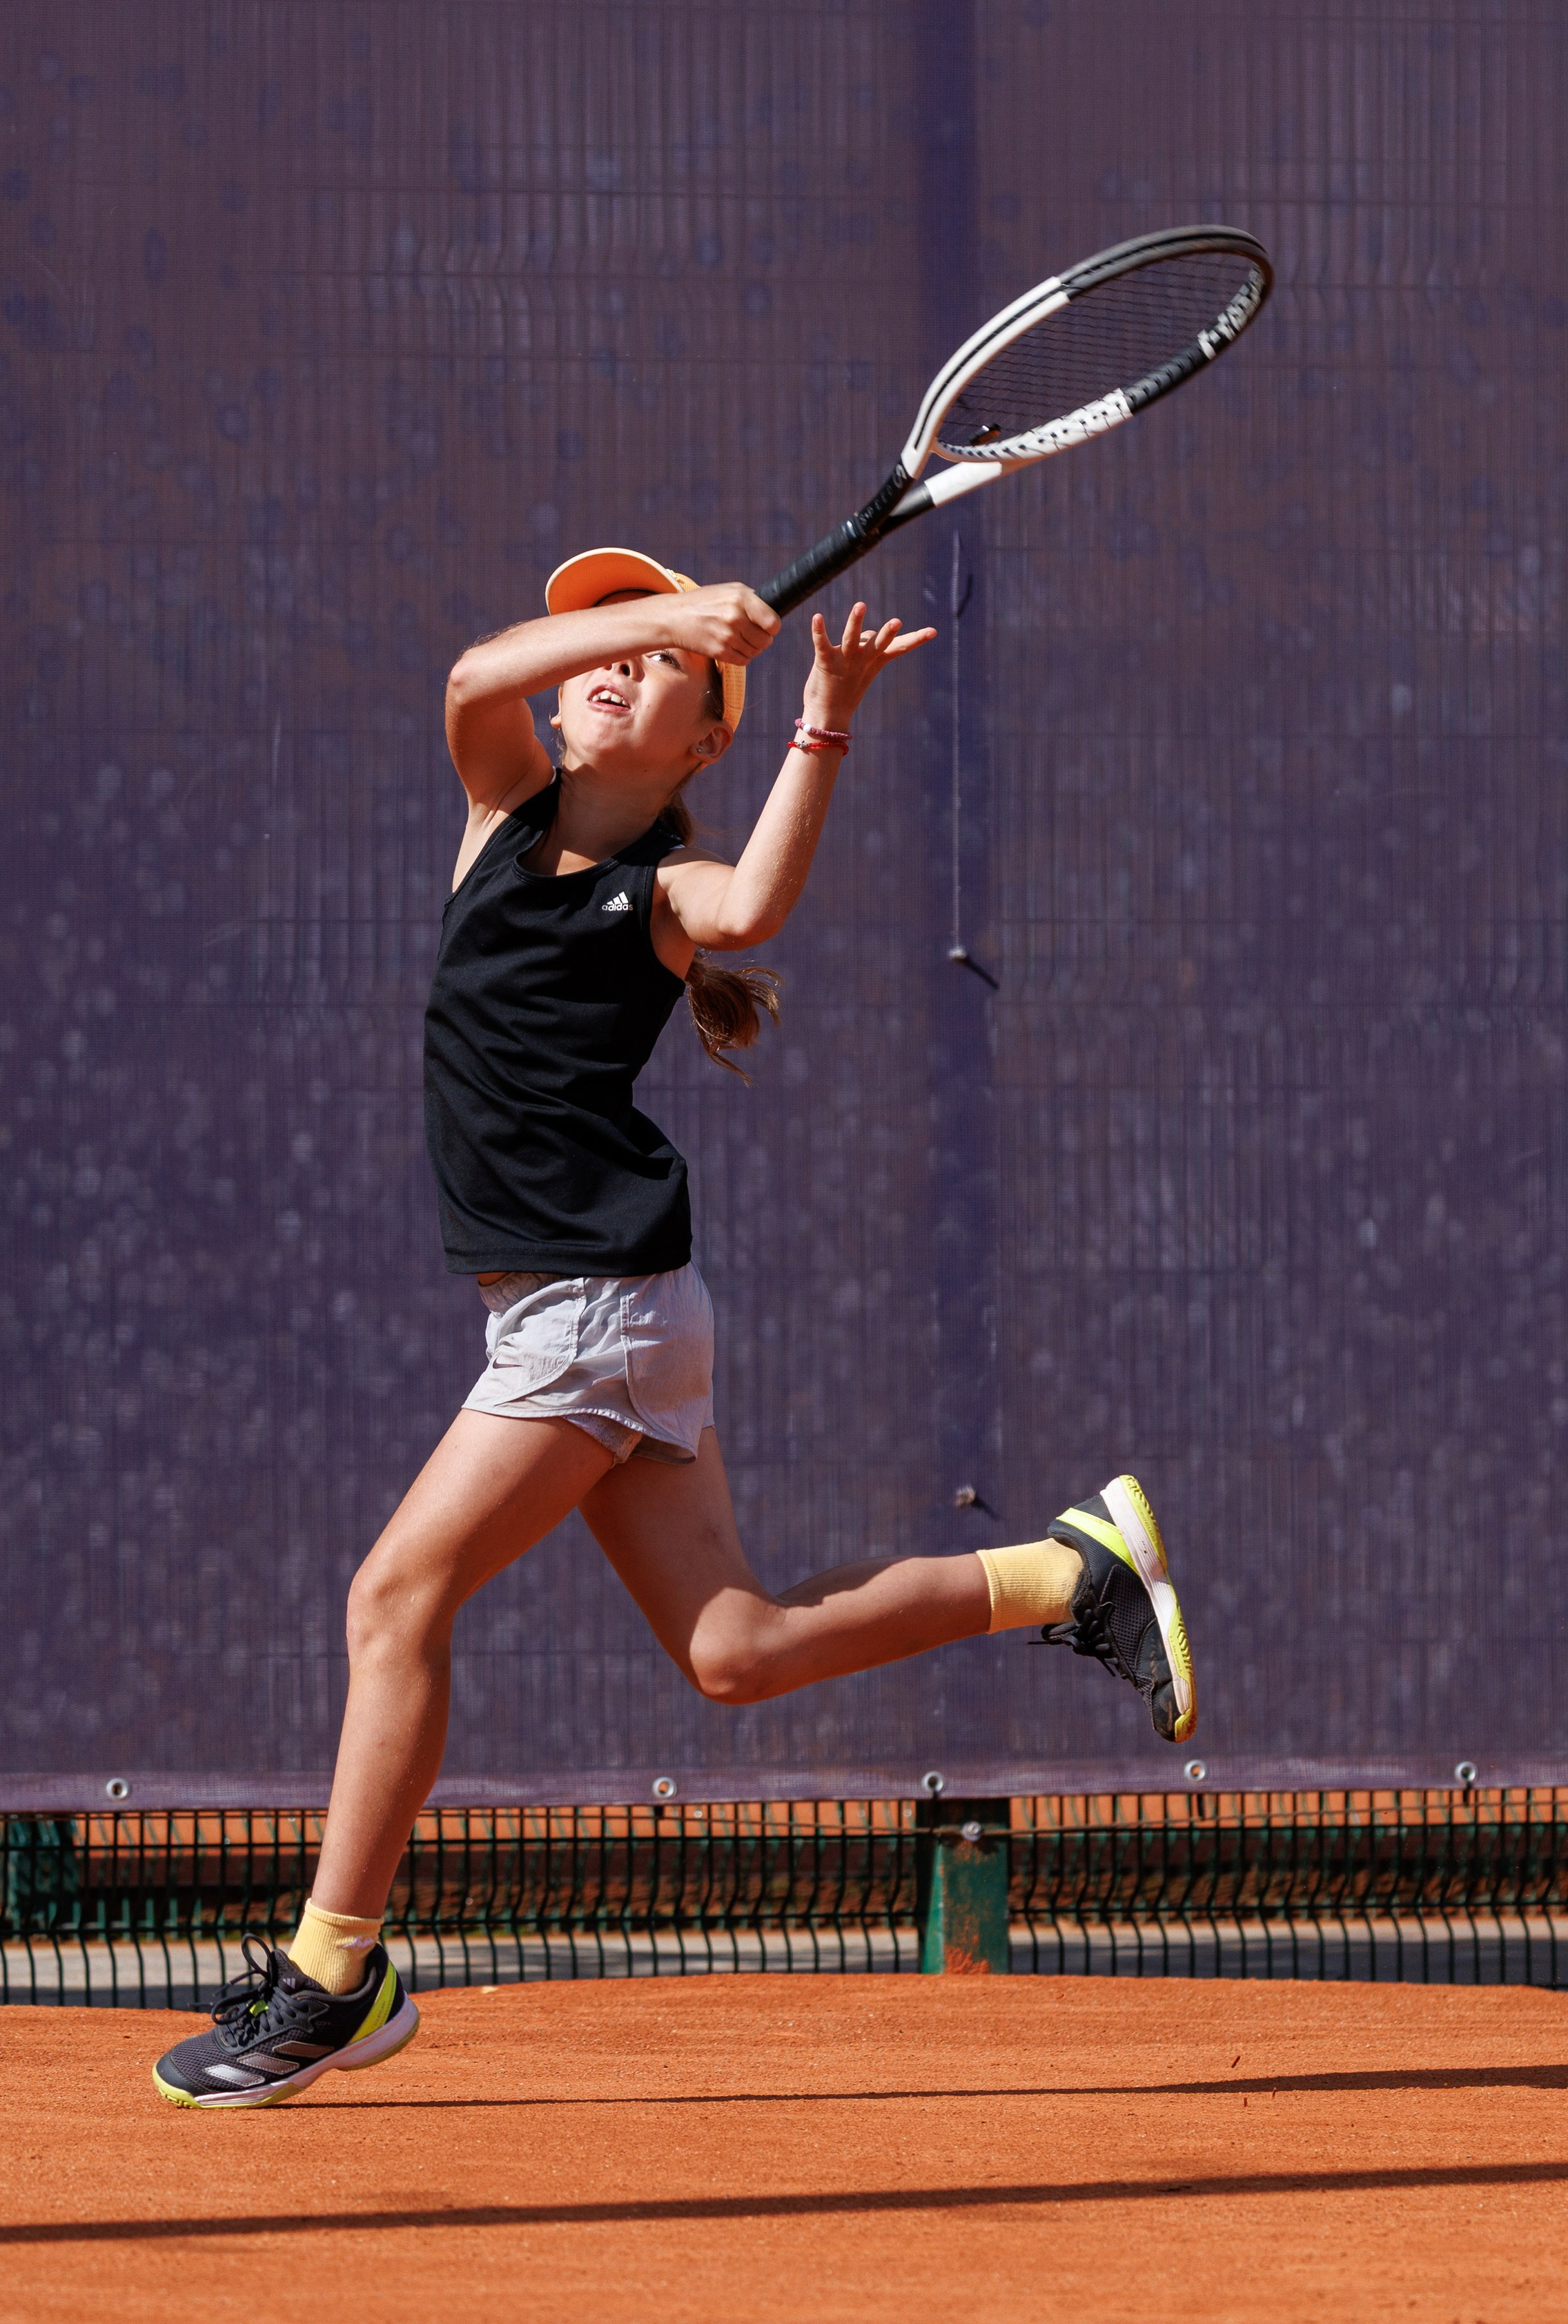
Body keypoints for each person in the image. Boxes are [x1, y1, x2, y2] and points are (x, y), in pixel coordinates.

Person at [152, 550, 1195, 2109]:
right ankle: (1063, 1568)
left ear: (704, 745)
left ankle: (330, 1970)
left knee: (391, 1599)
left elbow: (759, 898)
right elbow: (468, 675)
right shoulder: (496, 819)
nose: (609, 666)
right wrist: (673, 621)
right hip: (604, 1313)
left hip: (597, 1312)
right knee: (735, 1651)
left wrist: (817, 717)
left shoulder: (665, 897)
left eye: (654, 668)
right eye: (597, 642)